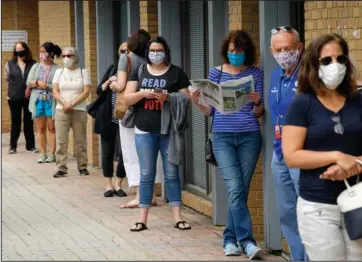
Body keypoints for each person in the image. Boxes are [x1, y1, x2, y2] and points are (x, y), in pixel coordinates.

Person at [282, 33, 362, 261]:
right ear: (314, 64)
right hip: (317, 208)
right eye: (326, 60)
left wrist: (354, 165)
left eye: (341, 59)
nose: (334, 66)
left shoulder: (358, 101)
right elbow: (291, 156)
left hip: (358, 202)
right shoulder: (303, 103)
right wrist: (337, 156)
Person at [190, 30, 264, 259]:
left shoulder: (255, 74)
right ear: (226, 51)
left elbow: (260, 113)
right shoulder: (216, 73)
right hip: (222, 136)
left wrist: (257, 101)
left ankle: (230, 239)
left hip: (249, 136)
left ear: (246, 52)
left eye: (239, 51)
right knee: (234, 188)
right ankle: (247, 241)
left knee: (241, 190)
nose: (235, 55)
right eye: (232, 51)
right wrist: (197, 102)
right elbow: (210, 110)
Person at [124, 36, 191, 232]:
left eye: (159, 50)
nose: (155, 54)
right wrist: (143, 94)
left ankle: (178, 216)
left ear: (166, 51)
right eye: (152, 51)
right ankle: (142, 218)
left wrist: (168, 97)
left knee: (171, 173)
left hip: (168, 129)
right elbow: (127, 98)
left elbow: (186, 98)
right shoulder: (141, 70)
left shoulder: (176, 72)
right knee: (146, 174)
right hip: (144, 128)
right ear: (147, 53)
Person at [268, 26, 307, 261]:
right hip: (279, 152)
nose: (284, 53)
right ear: (272, 51)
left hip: (303, 153)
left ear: (299, 48)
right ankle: (298, 257)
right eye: (279, 49)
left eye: (289, 49)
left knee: (308, 212)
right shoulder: (275, 75)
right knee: (287, 212)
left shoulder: (310, 75)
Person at [117, 30, 163, 208]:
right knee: (150, 154)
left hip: (130, 110)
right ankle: (151, 194)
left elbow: (121, 85)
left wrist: (113, 84)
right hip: (149, 111)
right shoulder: (150, 62)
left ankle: (139, 196)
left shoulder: (126, 58)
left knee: (132, 152)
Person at [93, 43, 128, 197]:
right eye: (122, 51)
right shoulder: (113, 68)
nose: (125, 53)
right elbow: (98, 90)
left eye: (128, 51)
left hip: (126, 119)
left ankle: (118, 184)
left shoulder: (135, 70)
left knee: (124, 153)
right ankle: (108, 185)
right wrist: (108, 82)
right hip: (108, 117)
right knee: (107, 152)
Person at [52, 47, 90, 178]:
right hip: (61, 109)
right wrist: (64, 103)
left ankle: (83, 167)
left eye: (69, 55)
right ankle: (61, 168)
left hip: (79, 109)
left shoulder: (82, 72)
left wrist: (72, 103)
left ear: (75, 57)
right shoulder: (59, 72)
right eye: (63, 56)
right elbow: (55, 91)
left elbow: (86, 91)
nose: (66, 58)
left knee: (80, 140)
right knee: (61, 140)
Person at [27, 42, 62, 163]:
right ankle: (42, 153)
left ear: (51, 53)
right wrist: (37, 83)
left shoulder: (57, 69)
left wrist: (46, 85)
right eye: (40, 51)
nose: (41, 54)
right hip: (37, 101)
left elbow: (58, 86)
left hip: (51, 101)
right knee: (40, 128)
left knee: (52, 128)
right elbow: (28, 82)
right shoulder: (36, 66)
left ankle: (52, 154)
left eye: (44, 52)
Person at [5, 41, 37, 154]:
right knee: (15, 121)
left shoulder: (33, 63)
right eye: (17, 49)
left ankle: (31, 146)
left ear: (25, 49)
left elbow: (35, 78)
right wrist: (12, 92)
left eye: (21, 48)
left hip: (29, 97)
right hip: (14, 98)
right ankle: (13, 146)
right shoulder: (10, 63)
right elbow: (7, 80)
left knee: (29, 121)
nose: (19, 50)